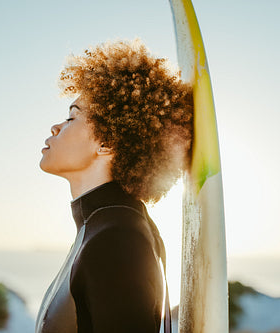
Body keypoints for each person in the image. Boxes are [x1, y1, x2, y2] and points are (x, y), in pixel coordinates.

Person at [35, 39, 193, 333]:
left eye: (72, 117)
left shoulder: (116, 239)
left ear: (107, 143)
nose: (56, 127)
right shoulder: (105, 228)